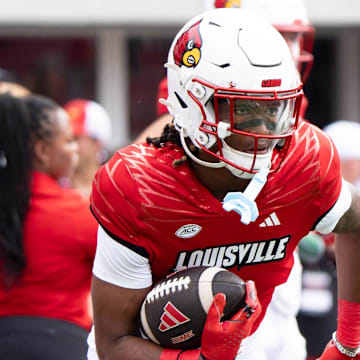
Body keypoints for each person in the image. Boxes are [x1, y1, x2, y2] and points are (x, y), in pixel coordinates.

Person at [88, 8, 360, 360]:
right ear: (191, 103)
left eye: (274, 111)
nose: (265, 131)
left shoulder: (304, 158)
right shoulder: (137, 186)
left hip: (249, 342)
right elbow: (113, 343)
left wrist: (349, 342)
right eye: (244, 110)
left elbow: (355, 222)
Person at [0, 93, 98, 360]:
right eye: (68, 141)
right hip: (63, 345)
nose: (75, 149)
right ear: (42, 151)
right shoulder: (76, 213)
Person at [64, 99, 112, 198]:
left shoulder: (113, 188)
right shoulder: (55, 186)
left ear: (97, 142)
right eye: (65, 139)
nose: (69, 146)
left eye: (75, 138)